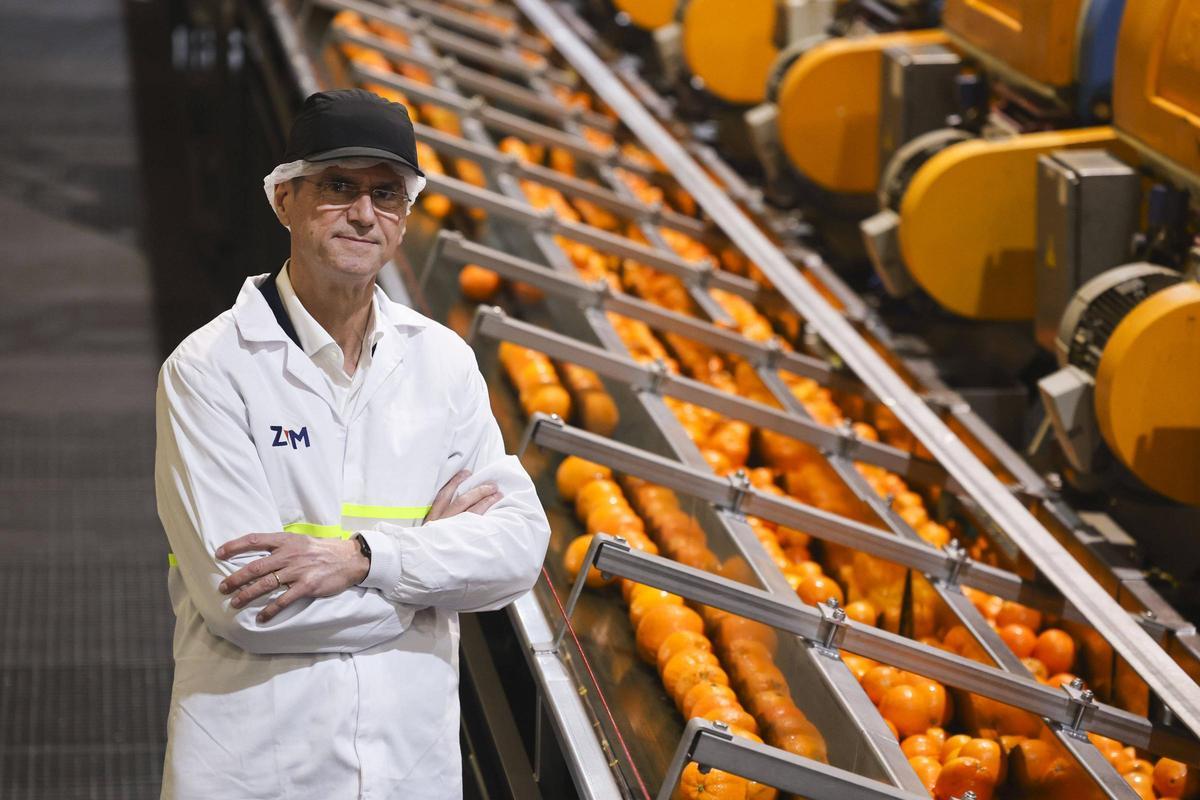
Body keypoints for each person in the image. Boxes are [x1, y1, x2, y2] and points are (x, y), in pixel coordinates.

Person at [155, 88, 551, 799]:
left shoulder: (442, 362)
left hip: (406, 768)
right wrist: (430, 589)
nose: (365, 214)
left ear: (404, 218)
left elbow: (519, 551)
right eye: (339, 188)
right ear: (285, 200)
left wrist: (366, 559)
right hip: (259, 766)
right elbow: (245, 604)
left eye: (387, 195)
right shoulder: (210, 370)